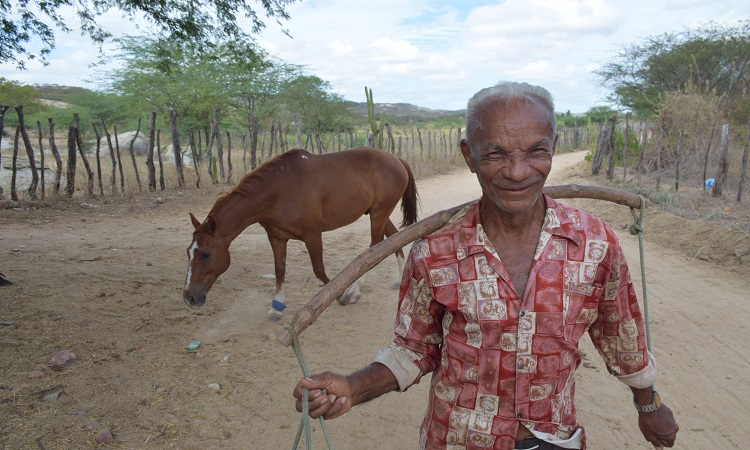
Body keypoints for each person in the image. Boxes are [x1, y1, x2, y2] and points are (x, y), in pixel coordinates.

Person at [293, 82, 679, 450]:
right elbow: (414, 349)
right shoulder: (435, 250)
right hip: (457, 438)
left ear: (554, 149)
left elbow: (621, 334)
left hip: (554, 438)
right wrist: (351, 387)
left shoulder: (594, 243)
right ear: (469, 154)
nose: (517, 172)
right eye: (495, 154)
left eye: (535, 152)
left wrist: (649, 405)